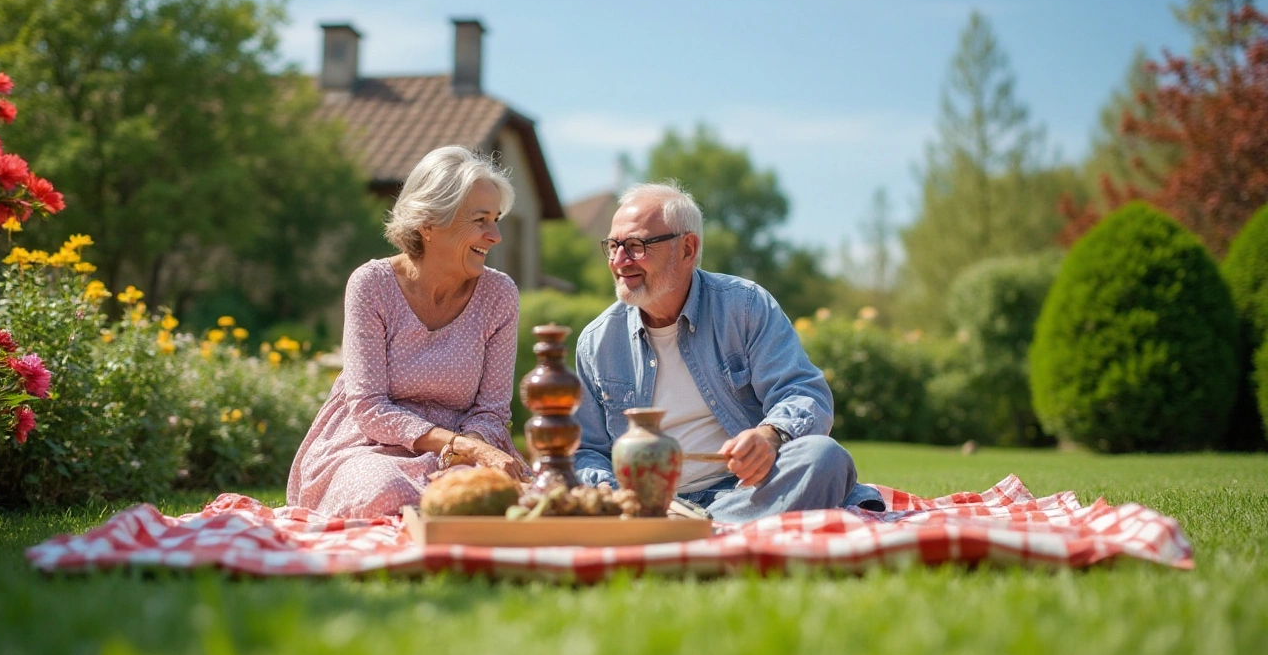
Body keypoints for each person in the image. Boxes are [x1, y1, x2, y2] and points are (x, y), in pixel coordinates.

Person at [573, 183, 881, 523]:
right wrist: (610, 493)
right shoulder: (596, 342)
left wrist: (770, 435)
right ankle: (707, 526)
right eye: (613, 246)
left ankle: (698, 526)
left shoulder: (746, 306)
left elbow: (805, 393)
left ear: (687, 248)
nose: (618, 261)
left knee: (825, 458)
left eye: (635, 246)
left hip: (746, 490)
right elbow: (588, 450)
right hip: (651, 505)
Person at [287, 145, 528, 518]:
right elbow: (368, 406)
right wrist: (459, 445)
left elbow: (491, 410)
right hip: (369, 446)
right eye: (481, 220)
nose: (495, 235)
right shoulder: (372, 284)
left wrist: (471, 448)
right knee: (387, 494)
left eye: (496, 219)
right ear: (429, 222)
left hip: (463, 448)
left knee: (495, 500)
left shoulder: (499, 295)